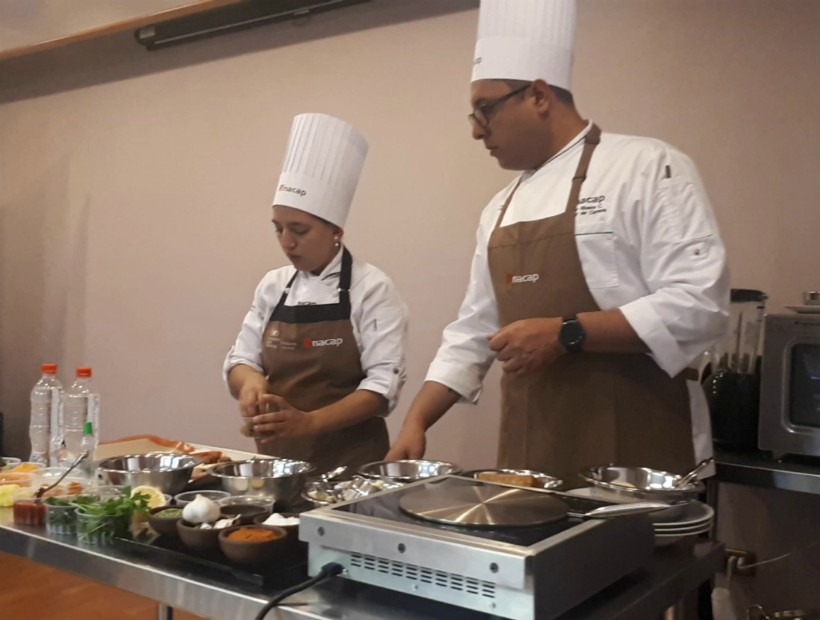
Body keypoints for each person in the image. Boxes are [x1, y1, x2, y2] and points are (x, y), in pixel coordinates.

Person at [387, 0, 730, 486]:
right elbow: (474, 329)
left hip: (638, 457)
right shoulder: (498, 209)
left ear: (540, 97)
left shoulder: (647, 166)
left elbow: (701, 306)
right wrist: (417, 422)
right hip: (532, 457)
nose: (476, 131)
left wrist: (566, 333)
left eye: (485, 110)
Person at [225, 112, 408, 474]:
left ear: (335, 230)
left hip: (351, 469)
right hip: (276, 466)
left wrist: (310, 423)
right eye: (278, 229)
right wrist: (251, 383)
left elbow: (381, 388)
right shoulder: (273, 286)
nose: (287, 242)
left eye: (299, 230)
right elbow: (240, 359)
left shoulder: (371, 288)